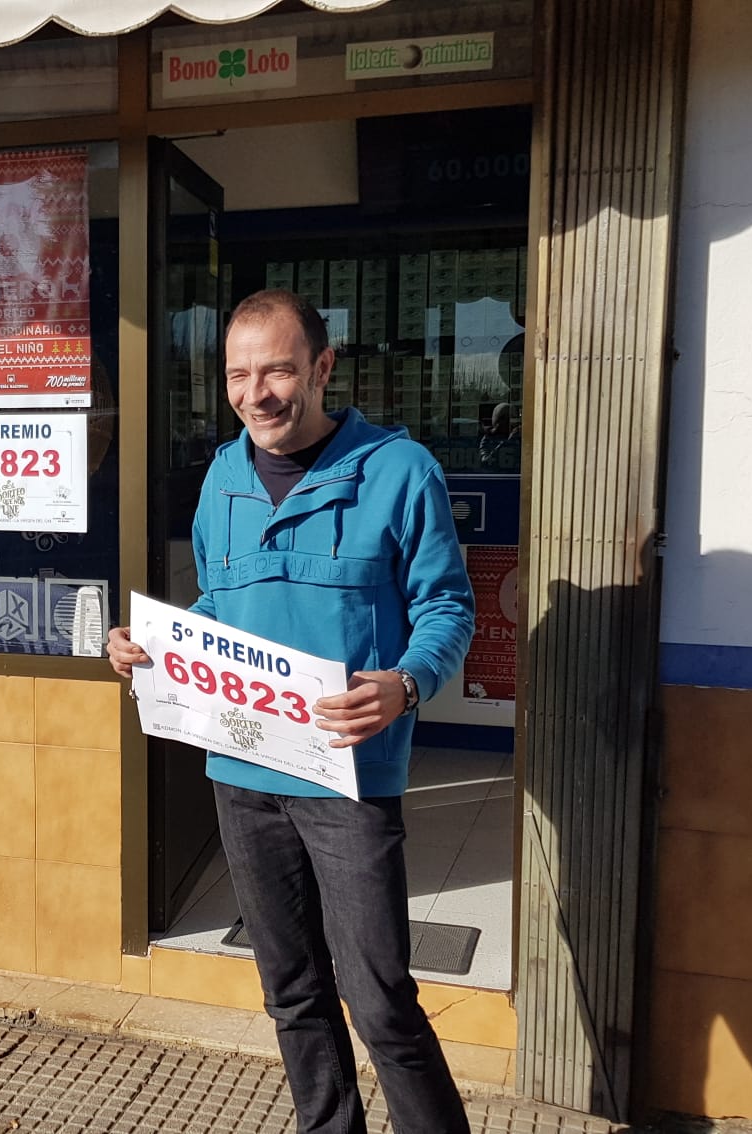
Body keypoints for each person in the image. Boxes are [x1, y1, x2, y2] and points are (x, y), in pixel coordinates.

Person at [107, 289, 476, 1134]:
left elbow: (448, 610)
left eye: (277, 368)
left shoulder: (399, 470)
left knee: (380, 1000)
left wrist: (408, 682)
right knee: (292, 991)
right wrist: (155, 644)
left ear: (321, 366)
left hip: (348, 778)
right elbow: (220, 607)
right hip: (241, 774)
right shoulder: (223, 475)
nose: (257, 392)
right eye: (239, 373)